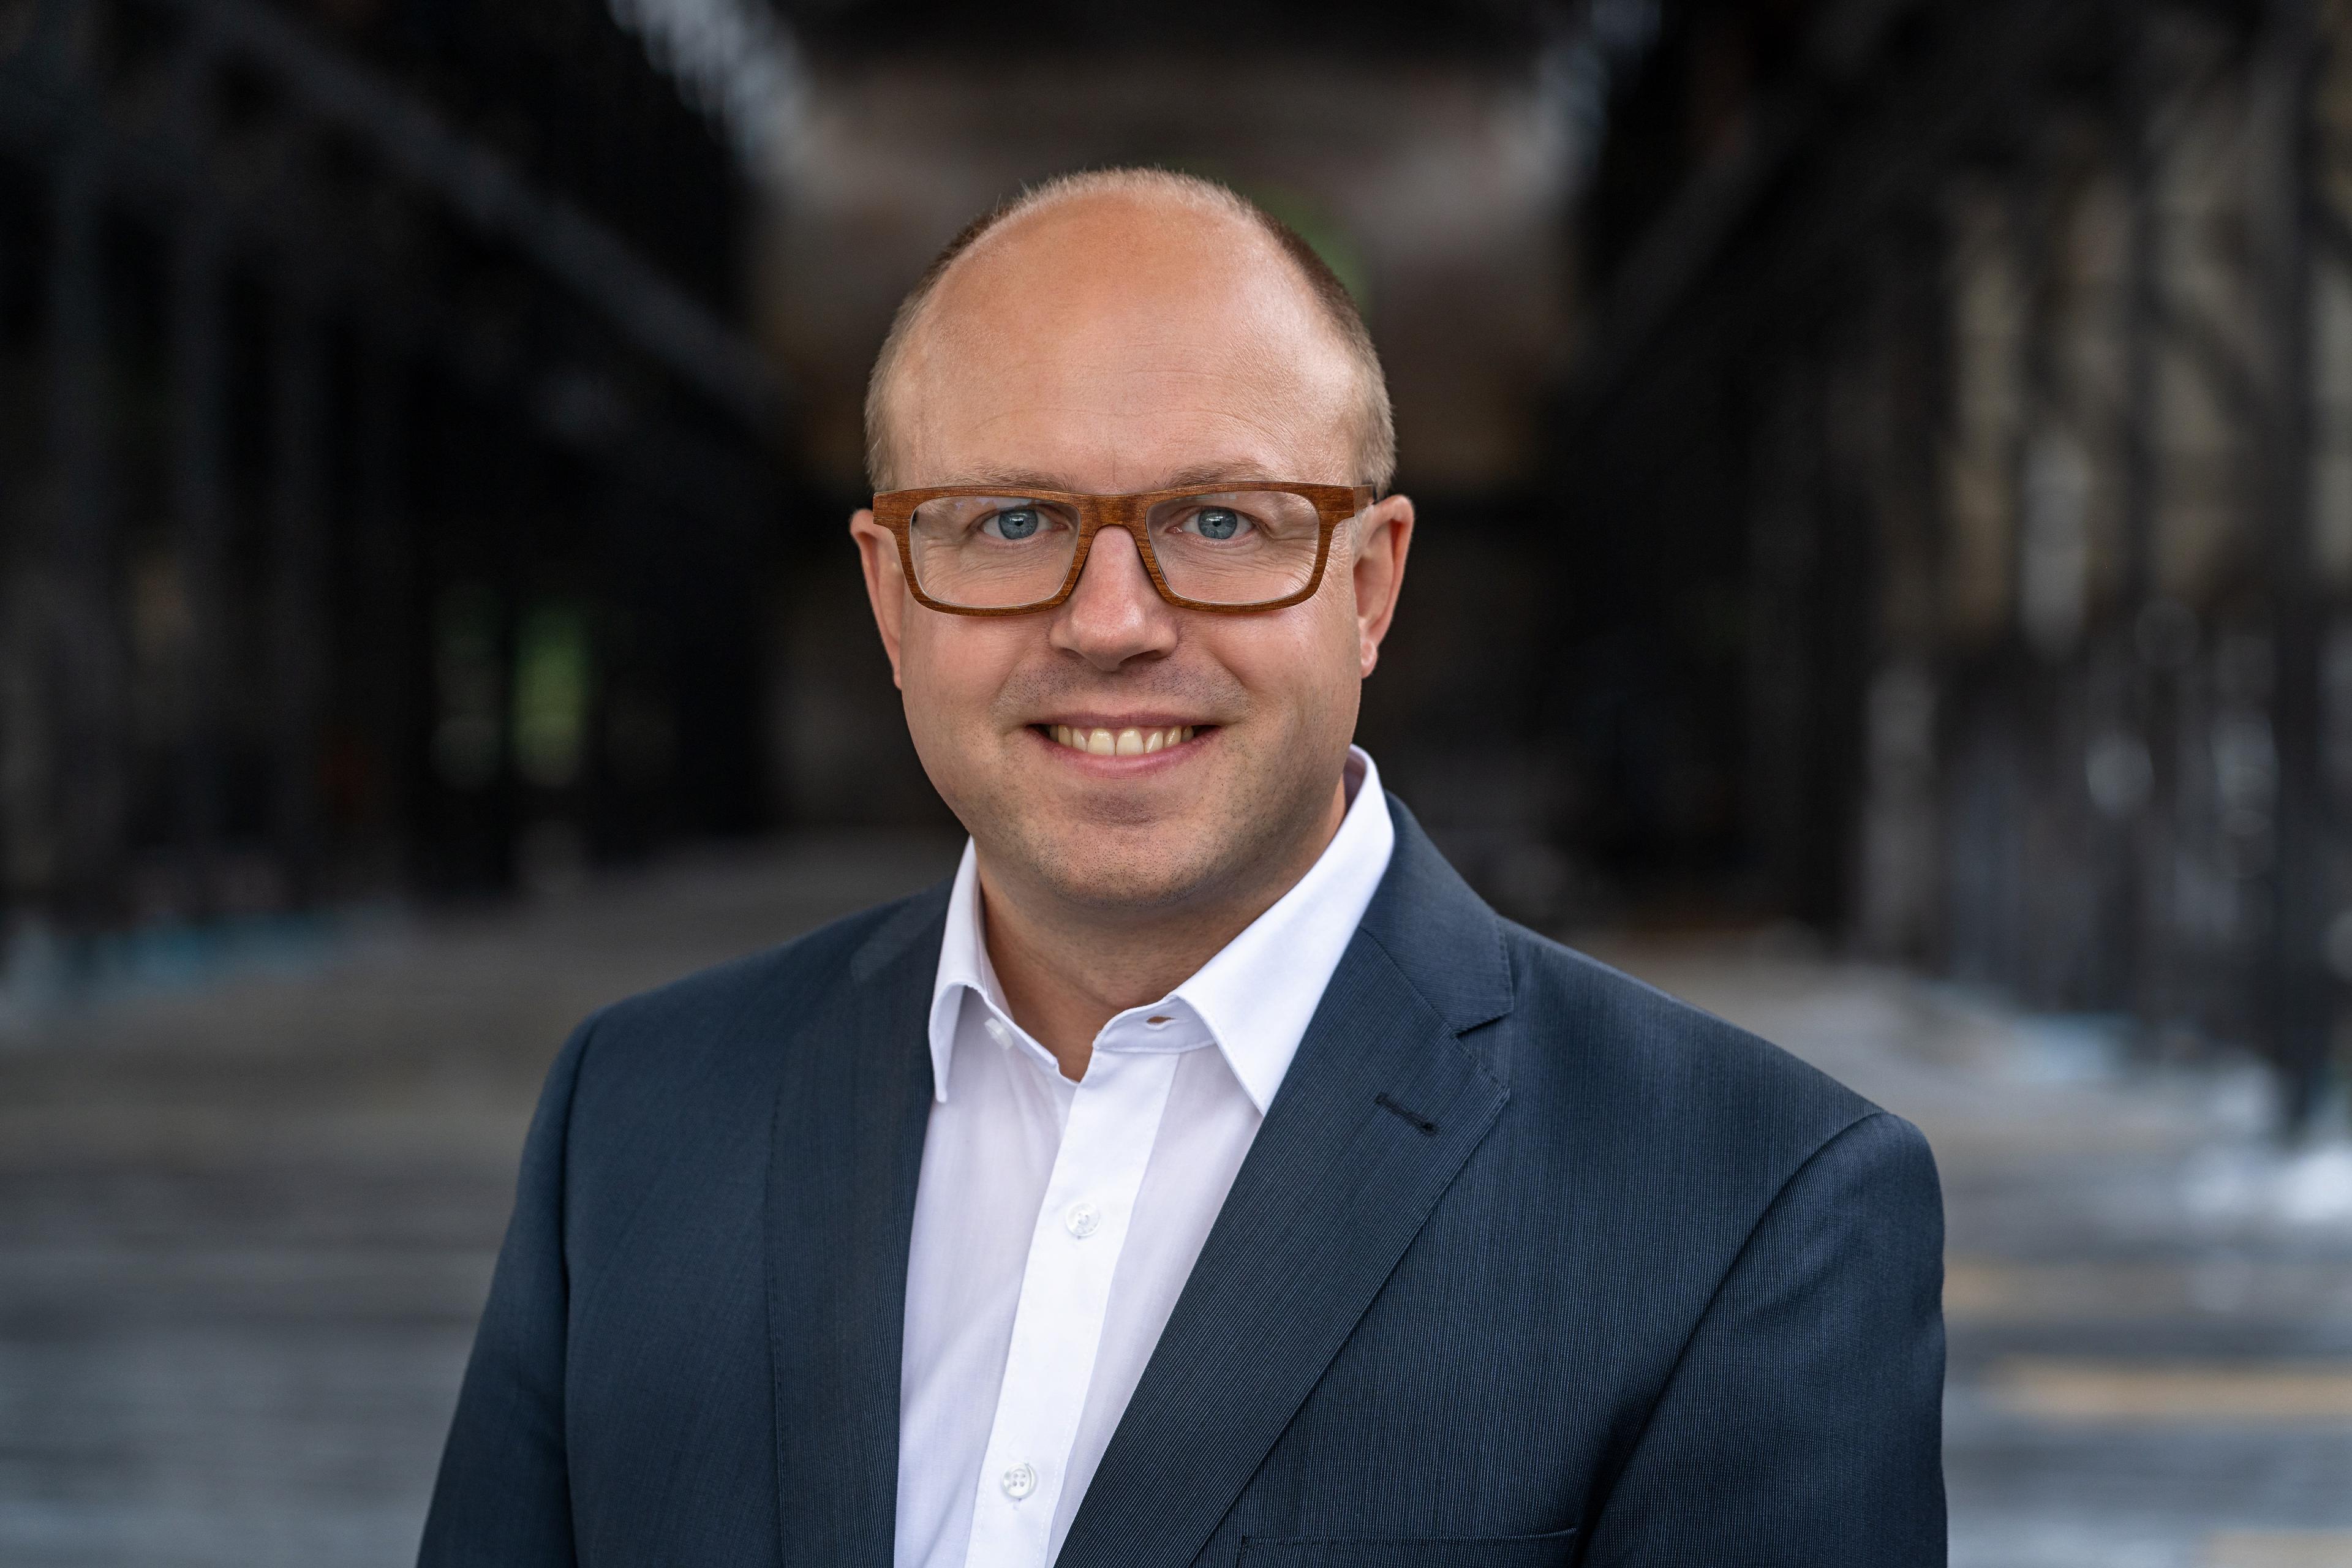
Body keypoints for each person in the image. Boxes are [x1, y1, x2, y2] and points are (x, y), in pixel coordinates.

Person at [419, 168, 1945, 1568]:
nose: (1110, 622)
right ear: (890, 596)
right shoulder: (637, 1116)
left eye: (1219, 520)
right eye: (1011, 519)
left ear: (1370, 584)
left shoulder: (1757, 1207)